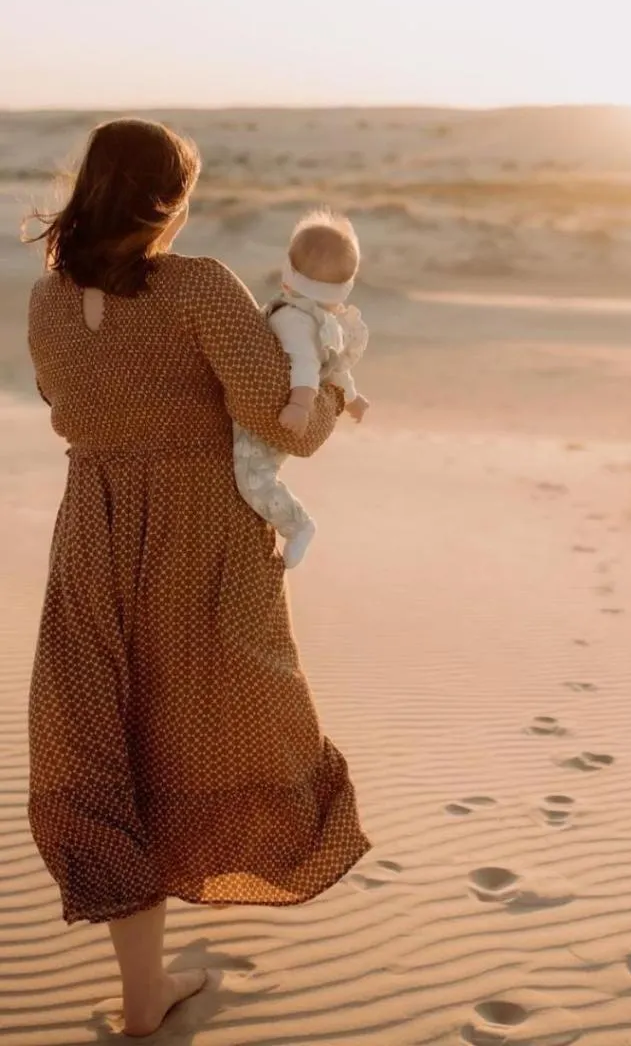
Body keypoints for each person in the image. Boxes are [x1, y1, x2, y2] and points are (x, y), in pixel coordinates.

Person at [24, 118, 370, 1037]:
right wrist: (334, 378)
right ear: (165, 199)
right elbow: (286, 426)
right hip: (200, 541)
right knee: (213, 736)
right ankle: (149, 995)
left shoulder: (45, 299)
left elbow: (67, 408)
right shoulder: (199, 288)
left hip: (93, 534)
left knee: (110, 753)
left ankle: (146, 994)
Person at [234, 209, 369, 569]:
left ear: (288, 271)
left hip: (284, 411)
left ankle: (297, 524)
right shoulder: (323, 320)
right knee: (256, 470)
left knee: (252, 476)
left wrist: (299, 405)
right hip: (281, 405)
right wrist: (353, 400)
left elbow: (307, 366)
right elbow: (336, 370)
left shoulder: (294, 318)